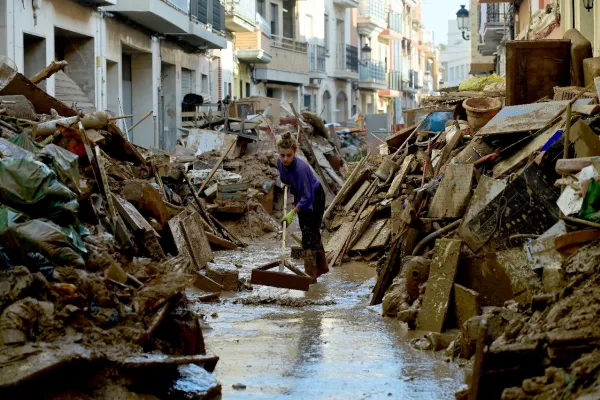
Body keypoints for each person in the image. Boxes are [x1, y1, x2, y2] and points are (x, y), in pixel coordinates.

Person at [277, 132, 328, 283]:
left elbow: (307, 197)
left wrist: (292, 212)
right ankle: (319, 268)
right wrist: (285, 182)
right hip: (301, 194)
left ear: (295, 153)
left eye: (289, 155)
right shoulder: (279, 162)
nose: (285, 159)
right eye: (282, 155)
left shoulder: (301, 168)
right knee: (306, 232)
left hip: (315, 196)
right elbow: (284, 177)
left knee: (310, 233)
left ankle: (312, 274)